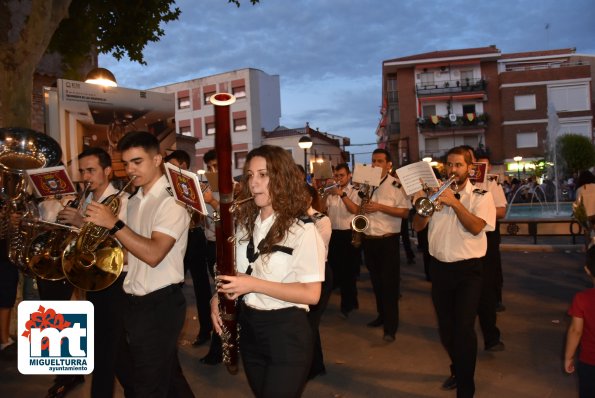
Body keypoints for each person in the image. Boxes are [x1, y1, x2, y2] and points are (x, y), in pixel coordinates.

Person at [211, 145, 325, 397]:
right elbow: (234, 275)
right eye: (250, 175)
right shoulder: (244, 225)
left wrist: (253, 284)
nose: (254, 183)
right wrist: (215, 298)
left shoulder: (303, 230)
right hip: (250, 327)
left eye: (263, 175)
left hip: (287, 333)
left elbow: (311, 294)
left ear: (282, 178)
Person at [84, 131, 192, 397]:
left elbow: (154, 253)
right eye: (126, 163)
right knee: (167, 379)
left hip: (160, 304)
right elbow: (130, 250)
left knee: (145, 386)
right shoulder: (132, 200)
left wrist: (114, 224)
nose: (130, 170)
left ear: (157, 159)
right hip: (133, 299)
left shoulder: (173, 201)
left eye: (137, 162)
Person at [412, 146, 496, 398]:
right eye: (449, 165)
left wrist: (454, 203)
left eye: (458, 165)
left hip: (468, 271)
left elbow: (475, 227)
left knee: (463, 329)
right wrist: (423, 207)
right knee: (446, 331)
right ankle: (458, 368)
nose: (452, 170)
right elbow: (417, 227)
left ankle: (466, 387)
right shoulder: (435, 194)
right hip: (439, 270)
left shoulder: (481, 195)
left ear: (470, 168)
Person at [57, 147, 134, 398]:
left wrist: (81, 224)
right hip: (92, 279)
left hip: (114, 280)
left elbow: (121, 246)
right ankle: (135, 390)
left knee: (104, 349)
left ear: (107, 171)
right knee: (114, 348)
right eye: (82, 171)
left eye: (91, 170)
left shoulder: (122, 202)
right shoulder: (87, 200)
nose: (86, 176)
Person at [164, 149, 213, 347]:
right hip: (174, 238)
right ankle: (169, 331)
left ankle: (205, 330)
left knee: (201, 287)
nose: (169, 170)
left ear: (183, 166)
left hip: (194, 237)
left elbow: (203, 215)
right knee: (173, 286)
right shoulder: (167, 186)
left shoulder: (197, 185)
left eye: (173, 165)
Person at [361, 149, 410, 342]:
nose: (375, 164)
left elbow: (405, 212)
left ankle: (391, 327)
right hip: (369, 239)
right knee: (376, 284)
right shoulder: (367, 184)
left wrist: (380, 207)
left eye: (380, 161)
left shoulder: (396, 185)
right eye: (373, 161)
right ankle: (381, 316)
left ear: (389, 164)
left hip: (388, 240)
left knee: (389, 286)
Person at [325, 163, 360, 318]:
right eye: (336, 175)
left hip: (348, 234)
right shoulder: (330, 193)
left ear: (349, 175)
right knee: (335, 271)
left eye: (341, 175)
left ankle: (348, 304)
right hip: (333, 234)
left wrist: (341, 194)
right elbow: (320, 208)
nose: (338, 178)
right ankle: (351, 300)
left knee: (349, 271)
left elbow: (355, 210)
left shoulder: (354, 192)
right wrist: (325, 194)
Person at [304, 183, 332, 380]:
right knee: (306, 324)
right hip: (300, 276)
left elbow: (317, 250)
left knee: (309, 324)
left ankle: (311, 367)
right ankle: (315, 364)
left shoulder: (322, 220)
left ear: (310, 198)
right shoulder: (290, 219)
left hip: (319, 275)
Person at [564, 245, 595, 398]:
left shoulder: (582, 299)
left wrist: (568, 357)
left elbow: (576, 331)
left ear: (587, 270)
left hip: (590, 362)